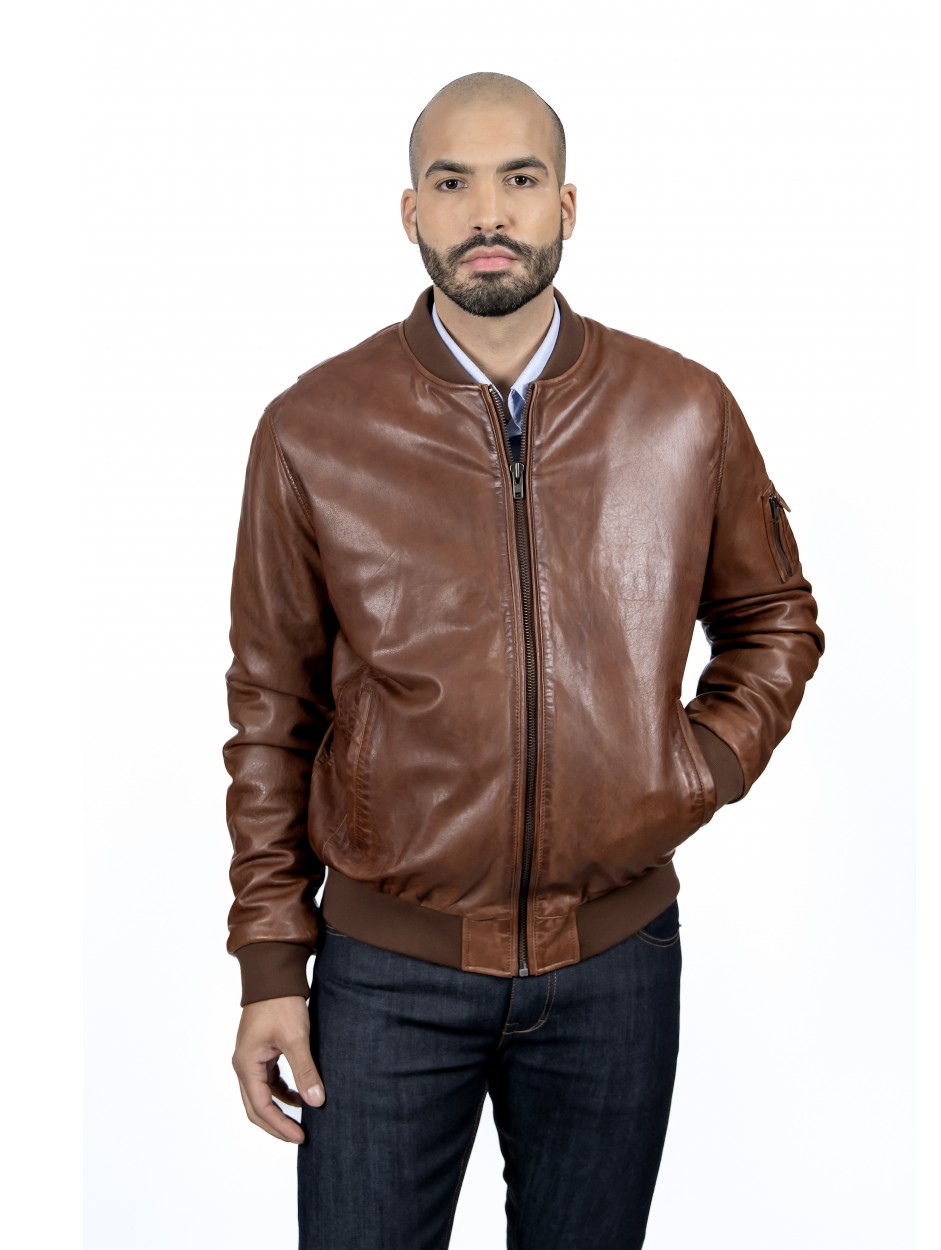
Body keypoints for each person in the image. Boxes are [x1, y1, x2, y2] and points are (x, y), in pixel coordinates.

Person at [224, 71, 824, 1250]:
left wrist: (692, 767)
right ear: (411, 211)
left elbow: (774, 617)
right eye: (452, 183)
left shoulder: (682, 411)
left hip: (614, 963)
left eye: (520, 179)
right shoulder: (315, 429)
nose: (487, 212)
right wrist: (270, 961)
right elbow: (271, 707)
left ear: (567, 205)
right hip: (384, 969)